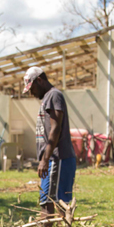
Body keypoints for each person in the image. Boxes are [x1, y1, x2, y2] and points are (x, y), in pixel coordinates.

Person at [24, 66, 76, 217]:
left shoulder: (54, 95)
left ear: (39, 80)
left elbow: (56, 129)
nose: (32, 93)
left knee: (51, 205)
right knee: (51, 204)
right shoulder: (48, 98)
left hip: (57, 159)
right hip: (53, 160)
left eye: (31, 88)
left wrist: (45, 159)